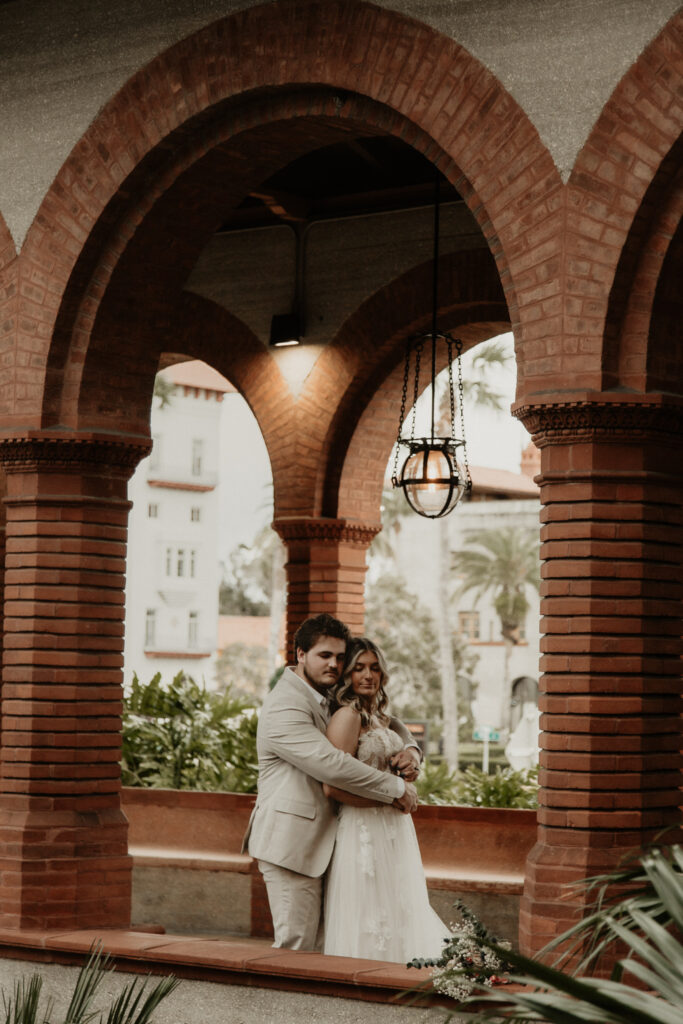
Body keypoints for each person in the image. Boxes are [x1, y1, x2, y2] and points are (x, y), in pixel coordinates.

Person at [243, 613, 422, 951]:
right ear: (300, 654)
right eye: (324, 655)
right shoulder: (285, 705)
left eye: (340, 657)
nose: (334, 665)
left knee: (333, 948)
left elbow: (386, 722)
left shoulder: (324, 695)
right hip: (293, 845)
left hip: (333, 842)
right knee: (297, 947)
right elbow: (333, 765)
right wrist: (396, 788)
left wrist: (412, 750)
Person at [323, 637, 449, 962]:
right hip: (363, 829)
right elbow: (333, 788)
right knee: (369, 912)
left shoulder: (380, 716)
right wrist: (390, 799)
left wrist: (411, 755)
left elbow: (403, 736)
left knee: (399, 904)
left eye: (375, 668)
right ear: (346, 674)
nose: (368, 675)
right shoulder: (347, 717)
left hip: (394, 829)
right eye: (359, 668)